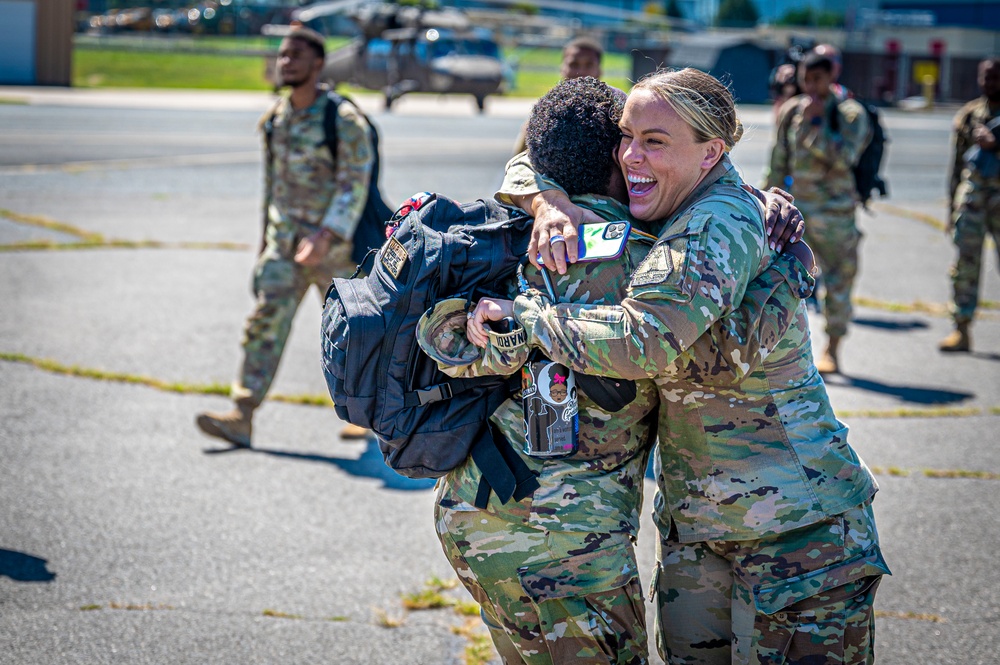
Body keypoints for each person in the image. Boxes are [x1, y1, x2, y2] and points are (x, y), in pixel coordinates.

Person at [474, 68, 888, 665]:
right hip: (701, 522)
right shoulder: (667, 207)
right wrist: (550, 201)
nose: (630, 156)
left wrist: (529, 317)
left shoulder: (715, 222)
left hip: (794, 528)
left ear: (711, 151)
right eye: (625, 136)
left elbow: (646, 342)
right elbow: (534, 159)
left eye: (656, 142)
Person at [196, 27, 374, 447]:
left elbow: (355, 183)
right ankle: (242, 415)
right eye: (282, 55)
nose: (285, 62)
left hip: (335, 251)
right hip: (284, 246)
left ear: (317, 64)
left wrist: (327, 234)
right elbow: (272, 187)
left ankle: (368, 418)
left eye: (295, 55)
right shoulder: (276, 119)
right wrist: (264, 243)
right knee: (263, 326)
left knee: (354, 335)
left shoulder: (343, 120)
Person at [764, 51, 872, 375]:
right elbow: (778, 159)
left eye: (817, 79)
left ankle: (833, 347)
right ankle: (779, 349)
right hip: (796, 213)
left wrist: (816, 122)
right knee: (778, 278)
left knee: (838, 281)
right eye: (804, 78)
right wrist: (767, 199)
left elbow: (844, 158)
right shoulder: (791, 110)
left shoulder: (849, 113)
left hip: (835, 213)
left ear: (831, 77)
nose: (810, 85)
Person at [939, 57, 1000, 352]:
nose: (990, 83)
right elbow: (956, 167)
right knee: (965, 266)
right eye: (985, 77)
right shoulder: (969, 115)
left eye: (996, 77)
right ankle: (961, 329)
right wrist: (951, 208)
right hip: (973, 202)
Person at [511, 36, 604, 155]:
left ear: (599, 71)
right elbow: (518, 159)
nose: (581, 72)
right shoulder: (545, 111)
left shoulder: (612, 110)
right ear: (562, 68)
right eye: (573, 64)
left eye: (589, 65)